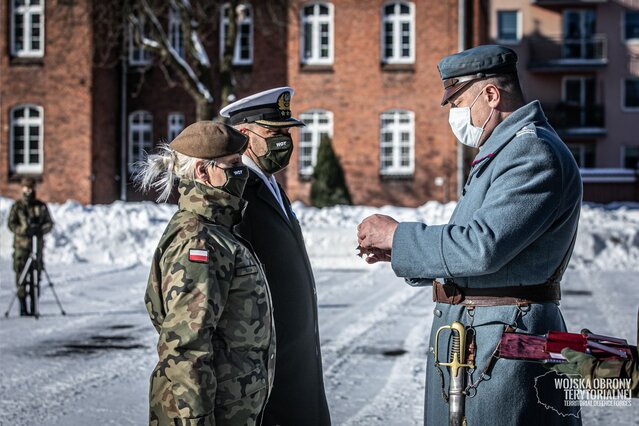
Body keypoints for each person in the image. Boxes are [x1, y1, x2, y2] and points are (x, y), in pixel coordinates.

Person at [357, 45, 583, 425]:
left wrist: (400, 237)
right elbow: (471, 245)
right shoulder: (507, 150)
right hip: (485, 340)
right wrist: (399, 251)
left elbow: (480, 247)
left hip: (505, 345)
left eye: (458, 103)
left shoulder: (532, 154)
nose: (455, 115)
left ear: (491, 95)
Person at [134, 121, 276, 425]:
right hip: (208, 413)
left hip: (230, 406)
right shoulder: (198, 240)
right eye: (234, 164)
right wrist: (198, 419)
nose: (243, 172)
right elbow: (186, 347)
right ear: (203, 172)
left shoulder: (218, 230)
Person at [220, 87, 332, 426]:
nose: (284, 140)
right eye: (274, 132)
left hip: (296, 356)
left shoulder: (267, 182)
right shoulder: (237, 194)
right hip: (266, 364)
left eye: (287, 131)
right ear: (244, 134)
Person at [7, 177, 53, 316]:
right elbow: (11, 225)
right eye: (26, 189)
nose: (29, 191)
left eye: (31, 188)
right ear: (22, 189)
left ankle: (34, 306)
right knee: (21, 276)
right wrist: (24, 230)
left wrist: (40, 230)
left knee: (35, 277)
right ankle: (23, 307)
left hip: (36, 247)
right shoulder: (17, 207)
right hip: (22, 247)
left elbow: (49, 223)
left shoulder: (40, 206)